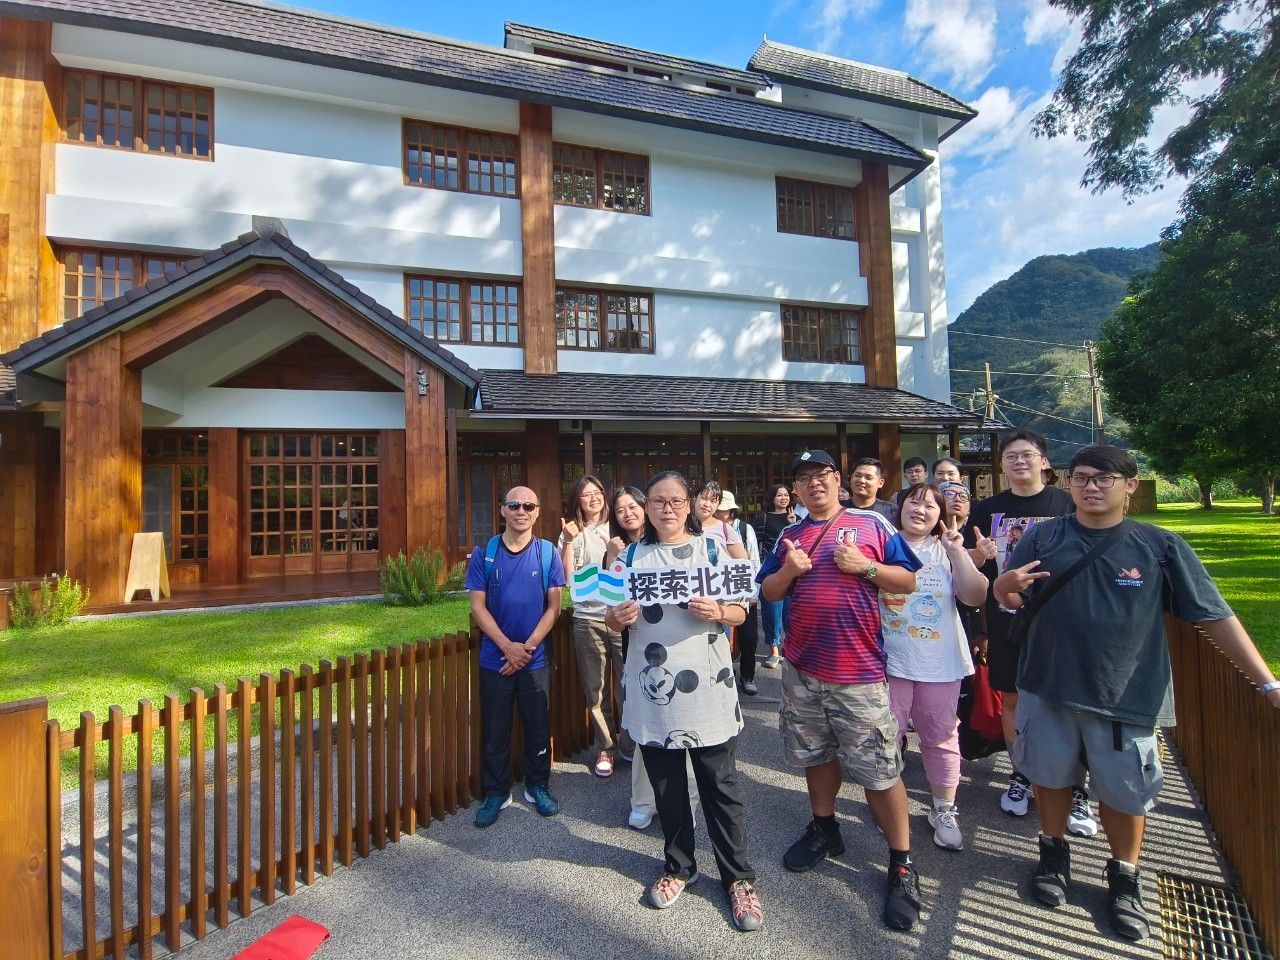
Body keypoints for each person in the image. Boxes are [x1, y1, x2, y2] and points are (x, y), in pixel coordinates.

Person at [994, 444, 1280, 942]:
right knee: (1049, 777)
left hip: (1125, 694)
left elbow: (1214, 614)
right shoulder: (1044, 536)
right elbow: (1010, 597)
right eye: (1081, 477)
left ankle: (1125, 878)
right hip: (1047, 683)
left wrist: (1268, 682)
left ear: (1129, 486)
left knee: (1125, 793)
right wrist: (1005, 586)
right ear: (1068, 484)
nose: (1091, 487)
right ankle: (1053, 855)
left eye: (1103, 478)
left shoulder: (1159, 546)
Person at [757, 450, 927, 931]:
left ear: (838, 480)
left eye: (822, 475)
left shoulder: (872, 524)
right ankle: (824, 828)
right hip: (802, 669)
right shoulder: (790, 535)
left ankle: (901, 863)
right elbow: (768, 591)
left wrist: (865, 568)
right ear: (796, 488)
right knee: (815, 755)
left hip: (859, 673)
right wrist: (789, 571)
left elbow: (907, 579)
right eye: (803, 478)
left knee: (879, 769)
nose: (814, 483)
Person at [605, 471, 763, 932]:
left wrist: (720, 611)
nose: (667, 508)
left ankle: (738, 878)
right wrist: (618, 617)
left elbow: (742, 609)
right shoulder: (630, 556)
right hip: (653, 690)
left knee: (720, 785)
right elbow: (611, 618)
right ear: (647, 508)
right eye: (658, 501)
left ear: (690, 504)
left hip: (708, 688)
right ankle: (679, 866)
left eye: (676, 500)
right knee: (668, 786)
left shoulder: (711, 550)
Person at [966, 428, 1094, 831]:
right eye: (1011, 457)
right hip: (1006, 619)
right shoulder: (987, 509)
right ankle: (1021, 773)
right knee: (1012, 699)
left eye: (1027, 455)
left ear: (1044, 462)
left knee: (1068, 703)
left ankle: (1076, 787)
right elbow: (975, 571)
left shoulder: (1067, 504)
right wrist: (977, 557)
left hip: (1063, 620)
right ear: (1001, 466)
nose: (1019, 462)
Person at [881, 484, 988, 850]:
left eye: (930, 505)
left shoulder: (948, 549)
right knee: (886, 737)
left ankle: (943, 809)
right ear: (900, 507)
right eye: (914, 501)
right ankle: (887, 804)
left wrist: (958, 552)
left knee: (940, 736)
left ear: (941, 515)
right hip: (889, 661)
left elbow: (974, 596)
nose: (920, 509)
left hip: (939, 662)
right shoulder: (884, 544)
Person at [465, 487, 565, 828]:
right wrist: (507, 647)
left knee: (537, 727)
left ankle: (538, 785)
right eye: (515, 505)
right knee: (495, 729)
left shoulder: (548, 553)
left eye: (529, 506)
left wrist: (526, 649)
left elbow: (555, 607)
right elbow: (477, 606)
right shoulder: (485, 554)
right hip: (495, 659)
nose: (522, 511)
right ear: (503, 510)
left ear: (537, 512)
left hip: (534, 660)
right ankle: (496, 792)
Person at [559, 474, 625, 779]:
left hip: (622, 617)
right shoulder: (571, 532)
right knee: (595, 689)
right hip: (587, 618)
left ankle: (633, 745)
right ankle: (606, 749)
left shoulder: (619, 526)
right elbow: (567, 579)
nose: (593, 498)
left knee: (629, 685)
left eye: (597, 492)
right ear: (577, 500)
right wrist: (567, 542)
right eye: (586, 494)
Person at [716, 491, 762, 695]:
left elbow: (754, 561)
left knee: (749, 637)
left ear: (731, 511)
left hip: (744, 590)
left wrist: (754, 592)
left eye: (723, 510)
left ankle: (747, 676)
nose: (718, 513)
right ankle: (727, 675)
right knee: (722, 639)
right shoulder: (704, 529)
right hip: (719, 594)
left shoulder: (744, 529)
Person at [756, 483, 794, 669]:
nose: (784, 498)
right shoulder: (763, 519)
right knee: (772, 612)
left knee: (792, 613)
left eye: (786, 495)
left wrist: (793, 524)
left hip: (793, 572)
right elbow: (755, 545)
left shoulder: (797, 519)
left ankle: (791, 648)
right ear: (772, 498)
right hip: (772, 571)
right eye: (779, 495)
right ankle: (774, 650)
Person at [848, 457, 900, 525]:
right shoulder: (838, 508)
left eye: (868, 478)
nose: (861, 480)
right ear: (851, 478)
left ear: (880, 483)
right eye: (857, 476)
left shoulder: (893, 512)